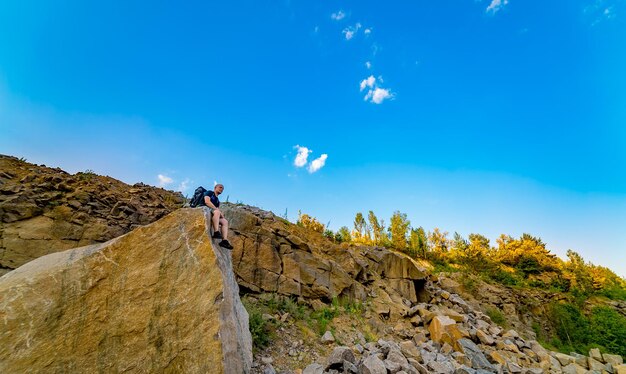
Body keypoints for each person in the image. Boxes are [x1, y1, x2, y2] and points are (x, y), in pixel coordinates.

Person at [203, 184, 234, 249]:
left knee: (225, 221)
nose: (221, 189)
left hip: (213, 213)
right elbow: (207, 201)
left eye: (222, 189)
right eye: (220, 187)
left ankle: (224, 241)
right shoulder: (210, 193)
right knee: (217, 212)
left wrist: (220, 214)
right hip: (205, 209)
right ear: (215, 187)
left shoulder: (217, 200)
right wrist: (217, 210)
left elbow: (216, 209)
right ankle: (216, 232)